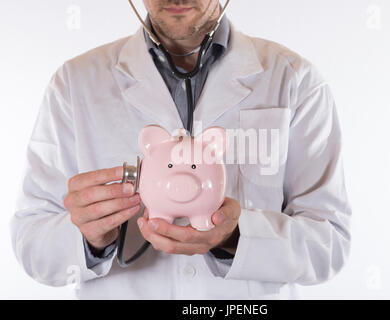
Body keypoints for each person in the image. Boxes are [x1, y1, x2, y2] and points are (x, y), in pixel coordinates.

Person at [10, 0, 352, 299]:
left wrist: (236, 236)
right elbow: (31, 242)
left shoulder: (295, 80)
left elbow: (330, 244)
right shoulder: (74, 83)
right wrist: (88, 239)